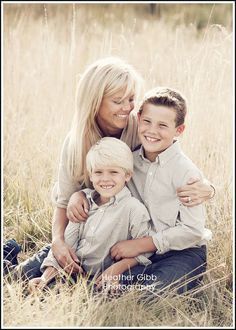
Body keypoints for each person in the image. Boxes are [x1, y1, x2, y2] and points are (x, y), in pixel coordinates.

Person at [3, 57, 214, 280]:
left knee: (136, 288)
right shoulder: (76, 143)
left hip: (139, 237)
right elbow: (64, 202)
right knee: (22, 277)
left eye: (131, 99)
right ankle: (10, 257)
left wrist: (209, 188)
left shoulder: (140, 128)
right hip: (99, 230)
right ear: (95, 101)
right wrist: (59, 240)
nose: (127, 108)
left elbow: (170, 160)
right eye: (117, 101)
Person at [106, 86, 213, 295]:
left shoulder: (186, 173)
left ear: (179, 130)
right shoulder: (129, 162)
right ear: (138, 118)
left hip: (182, 252)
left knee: (149, 292)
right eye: (147, 122)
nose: (152, 131)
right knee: (106, 288)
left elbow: (192, 231)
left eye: (162, 125)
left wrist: (142, 244)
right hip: (140, 251)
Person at [21, 137, 154, 291]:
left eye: (113, 172)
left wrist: (116, 270)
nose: (105, 178)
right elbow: (67, 244)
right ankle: (10, 252)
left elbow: (145, 251)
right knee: (22, 279)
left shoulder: (134, 209)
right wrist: (45, 278)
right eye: (98, 172)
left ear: (127, 175)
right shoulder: (83, 203)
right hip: (70, 274)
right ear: (91, 175)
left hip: (102, 279)